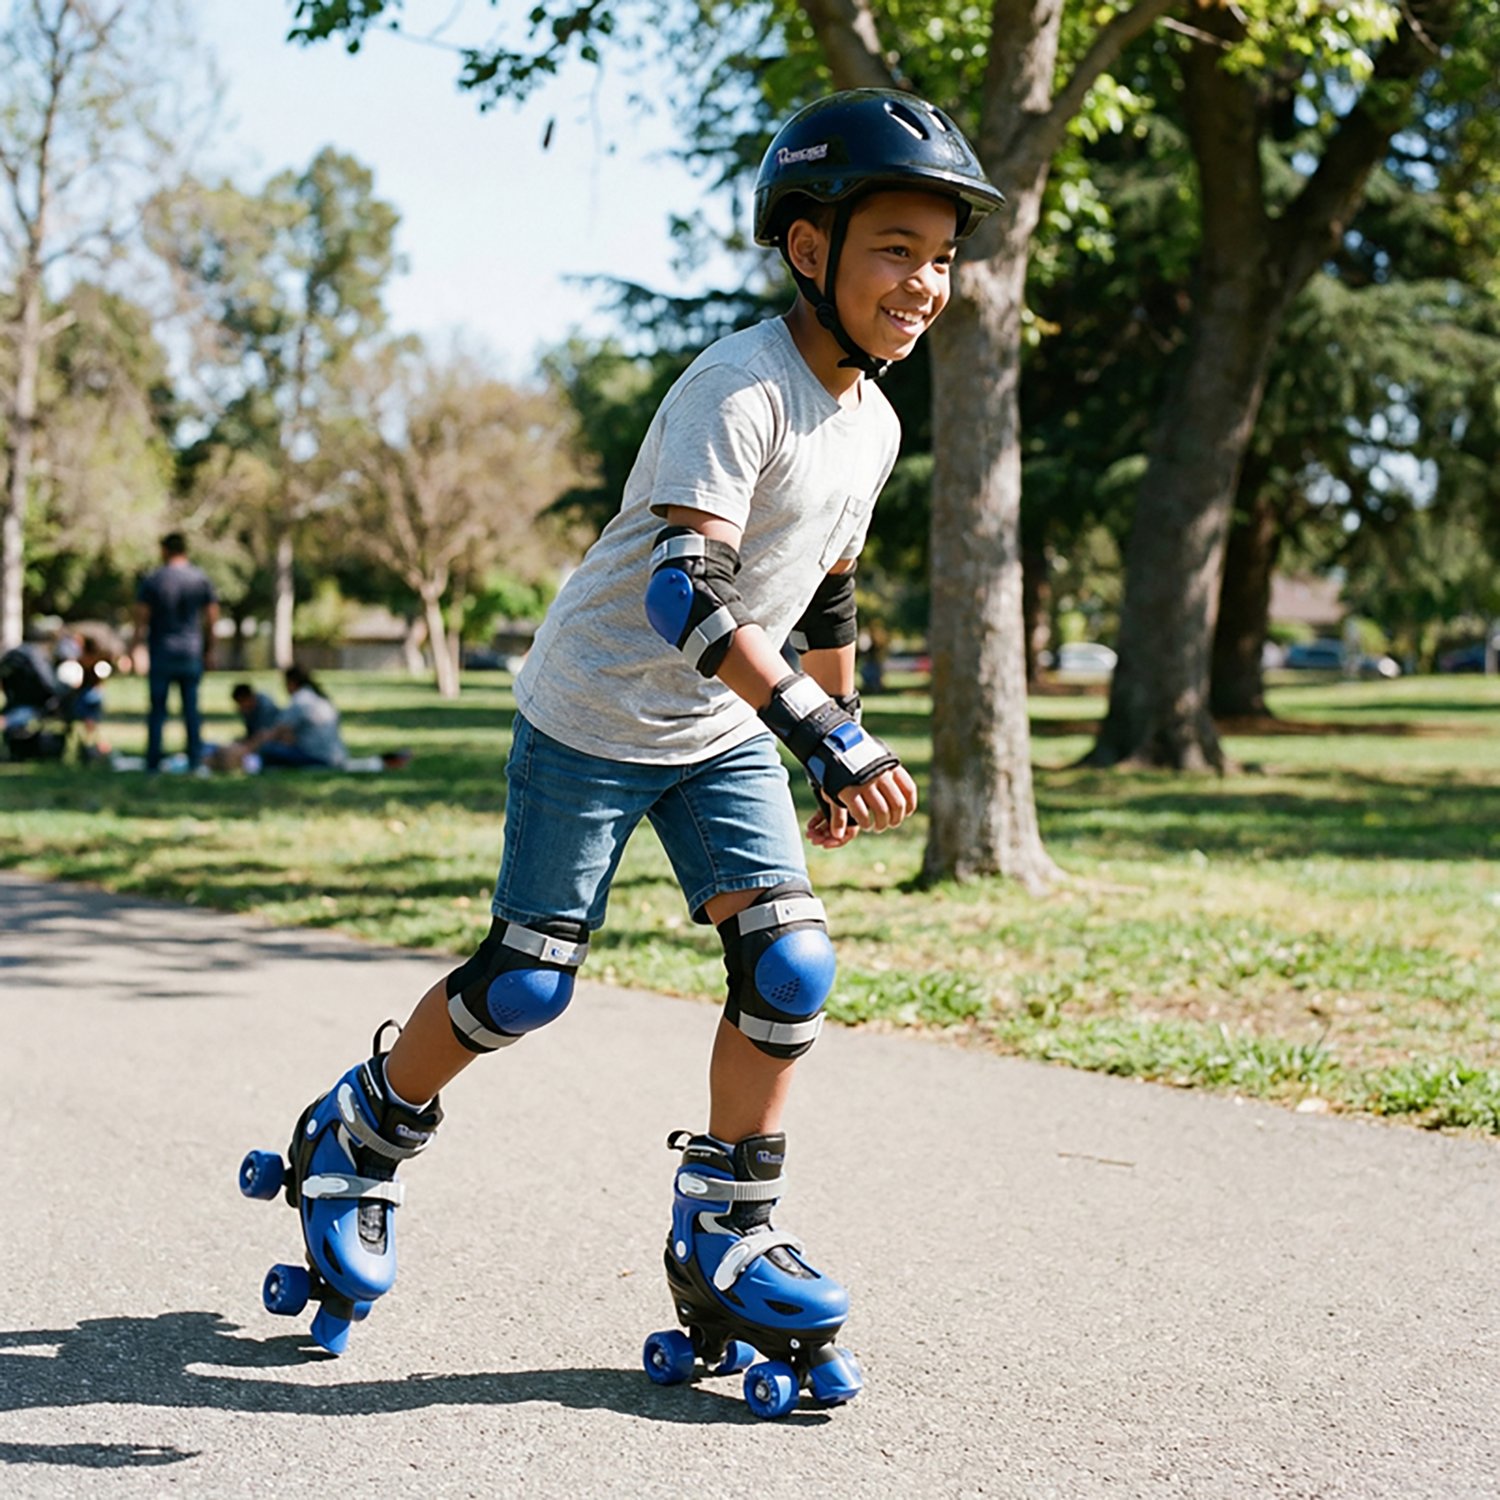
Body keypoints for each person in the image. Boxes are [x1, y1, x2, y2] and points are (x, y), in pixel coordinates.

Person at [246, 90, 1004, 1411]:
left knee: (791, 964)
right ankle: (358, 1129)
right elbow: (682, 594)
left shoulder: (876, 421)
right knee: (527, 985)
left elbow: (825, 590)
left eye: (940, 256)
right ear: (809, 248)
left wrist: (840, 729)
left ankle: (727, 1229)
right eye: (896, 249)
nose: (924, 283)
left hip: (723, 729)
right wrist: (819, 729)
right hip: (594, 712)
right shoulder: (737, 385)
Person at [134, 532, 218, 772]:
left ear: (165, 550)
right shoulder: (200, 579)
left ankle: (153, 762)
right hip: (190, 651)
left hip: (162, 651)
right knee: (191, 709)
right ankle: (194, 761)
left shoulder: (154, 579)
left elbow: (141, 617)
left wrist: (138, 647)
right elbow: (211, 616)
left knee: (157, 710)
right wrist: (210, 649)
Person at [254, 666, 348, 770]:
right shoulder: (318, 697)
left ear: (292, 683)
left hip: (318, 757)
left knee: (268, 750)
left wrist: (252, 744)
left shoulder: (300, 700)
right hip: (336, 756)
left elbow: (277, 731)